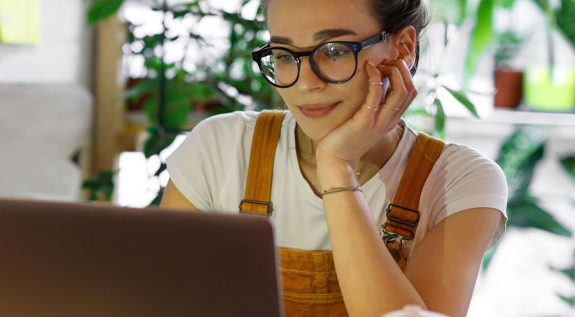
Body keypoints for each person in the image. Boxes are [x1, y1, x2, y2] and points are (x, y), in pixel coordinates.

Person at [159, 0, 508, 316]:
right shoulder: (220, 148)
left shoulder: (459, 182)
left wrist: (337, 167)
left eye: (335, 50)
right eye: (284, 55)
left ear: (402, 48)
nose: (306, 83)